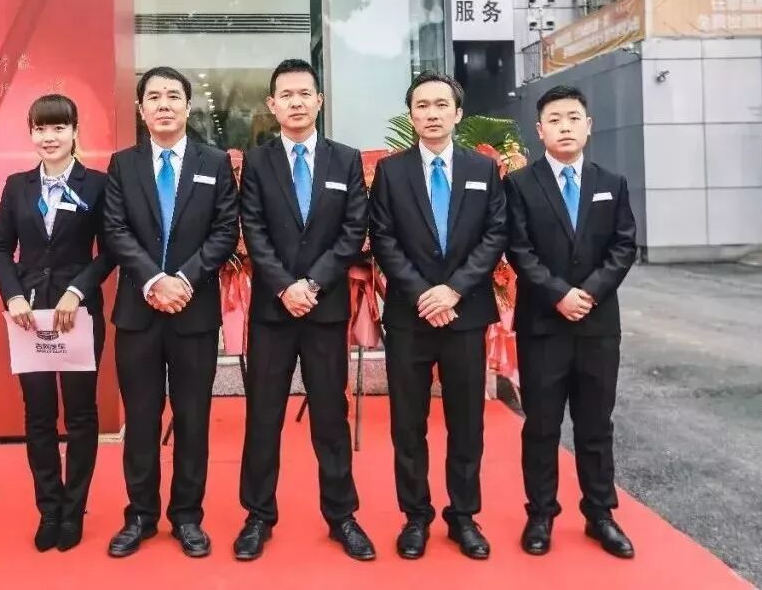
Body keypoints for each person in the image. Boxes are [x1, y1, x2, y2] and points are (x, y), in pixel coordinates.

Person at [234, 59, 373, 561]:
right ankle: (257, 515)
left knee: (331, 416)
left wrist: (312, 284)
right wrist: (284, 286)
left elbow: (353, 231)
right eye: (286, 95)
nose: (296, 102)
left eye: (304, 93)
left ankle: (342, 515)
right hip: (273, 312)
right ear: (272, 105)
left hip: (324, 308)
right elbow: (253, 229)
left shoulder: (345, 160)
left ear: (319, 100)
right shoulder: (257, 162)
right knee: (263, 416)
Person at [101, 66, 239, 558]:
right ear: (141, 109)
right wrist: (154, 280)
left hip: (193, 312)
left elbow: (225, 231)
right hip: (138, 314)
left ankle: (186, 516)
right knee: (140, 419)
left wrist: (183, 279)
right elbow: (114, 230)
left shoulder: (215, 162)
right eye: (154, 97)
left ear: (187, 105)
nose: (164, 104)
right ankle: (139, 515)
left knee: (192, 419)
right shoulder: (123, 164)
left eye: (173, 96)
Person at [369, 72, 507, 560]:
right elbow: (382, 238)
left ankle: (463, 516)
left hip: (464, 315)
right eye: (422, 105)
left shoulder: (483, 169)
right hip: (409, 317)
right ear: (411, 115)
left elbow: (495, 234)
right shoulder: (391, 172)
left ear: (457, 113)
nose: (432, 113)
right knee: (408, 423)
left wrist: (453, 290)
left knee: (466, 421)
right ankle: (416, 516)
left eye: (441, 104)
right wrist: (423, 293)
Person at [505, 85, 637, 559]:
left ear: (588, 125)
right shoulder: (520, 185)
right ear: (539, 130)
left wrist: (591, 292)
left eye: (573, 117)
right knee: (541, 425)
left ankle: (600, 513)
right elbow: (518, 248)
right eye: (555, 119)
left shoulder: (611, 182)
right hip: (543, 325)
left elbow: (624, 245)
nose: (565, 126)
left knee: (595, 424)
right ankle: (541, 513)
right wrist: (559, 294)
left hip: (598, 326)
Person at [0, 94, 116, 552]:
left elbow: (111, 250)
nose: (50, 137)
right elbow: (0, 248)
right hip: (28, 316)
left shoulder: (97, 184)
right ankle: (49, 508)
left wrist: (77, 289)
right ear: (31, 133)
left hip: (77, 314)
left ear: (74, 131)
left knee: (81, 414)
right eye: (41, 128)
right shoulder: (17, 186)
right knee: (39, 414)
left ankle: (74, 508)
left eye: (59, 127)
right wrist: (12, 295)